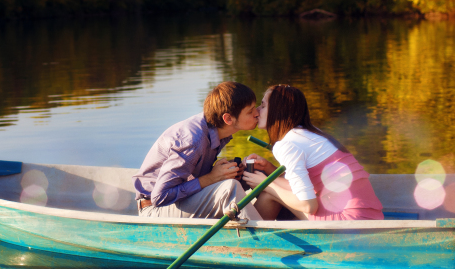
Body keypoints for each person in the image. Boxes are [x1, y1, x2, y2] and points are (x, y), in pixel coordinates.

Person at [242, 84, 384, 221]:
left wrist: (266, 184)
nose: (257, 111)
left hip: (349, 222)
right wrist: (269, 169)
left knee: (268, 194)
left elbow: (308, 205)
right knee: (274, 190)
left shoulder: (287, 145)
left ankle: (250, 239)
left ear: (279, 111)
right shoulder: (311, 133)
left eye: (263, 105)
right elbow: (305, 188)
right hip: (369, 216)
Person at [134, 82, 262, 220]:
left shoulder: (215, 128)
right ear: (228, 118)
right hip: (154, 210)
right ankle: (265, 239)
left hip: (178, 202)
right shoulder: (192, 141)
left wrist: (222, 172)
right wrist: (211, 178)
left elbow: (191, 175)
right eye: (250, 111)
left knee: (256, 172)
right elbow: (160, 197)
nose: (257, 113)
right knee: (230, 188)